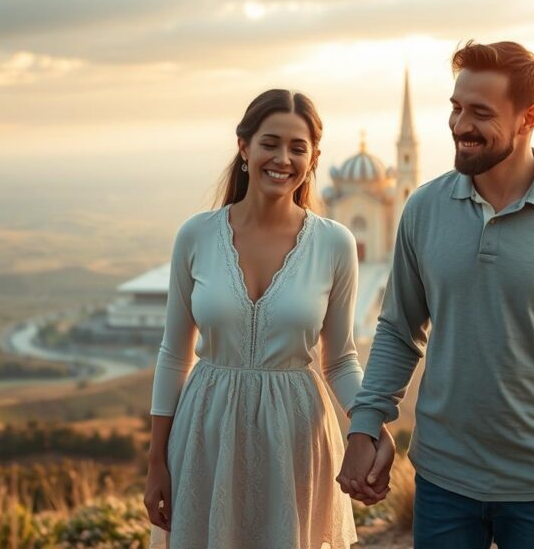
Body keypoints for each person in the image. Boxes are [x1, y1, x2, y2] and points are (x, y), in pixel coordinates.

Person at [337, 41, 534, 548]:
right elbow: (398, 329)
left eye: (480, 112)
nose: (460, 125)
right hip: (441, 478)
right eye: (457, 107)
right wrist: (366, 424)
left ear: (529, 118)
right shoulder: (424, 208)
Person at [145, 89, 396, 549]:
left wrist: (370, 426)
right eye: (270, 143)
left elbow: (339, 360)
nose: (283, 158)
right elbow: (172, 353)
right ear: (244, 147)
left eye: (297, 148)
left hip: (296, 434)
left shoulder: (335, 244)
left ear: (314, 158)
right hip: (206, 430)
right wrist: (156, 460)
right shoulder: (196, 234)